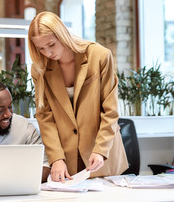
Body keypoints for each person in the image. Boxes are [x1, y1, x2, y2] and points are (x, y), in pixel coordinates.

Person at [27, 11, 128, 182]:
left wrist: (101, 149)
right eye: (41, 48)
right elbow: (45, 117)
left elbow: (110, 111)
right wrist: (56, 157)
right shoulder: (40, 69)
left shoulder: (99, 56)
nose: (47, 52)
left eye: (51, 44)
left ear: (62, 35)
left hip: (102, 156)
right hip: (67, 160)